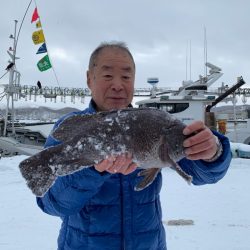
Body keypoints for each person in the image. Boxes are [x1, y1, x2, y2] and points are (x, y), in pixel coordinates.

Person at [37, 41, 232, 250]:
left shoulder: (157, 123)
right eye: (108, 75)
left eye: (127, 77)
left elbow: (204, 175)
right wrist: (92, 171)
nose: (118, 85)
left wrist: (213, 152)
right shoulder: (71, 128)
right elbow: (52, 204)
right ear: (89, 79)